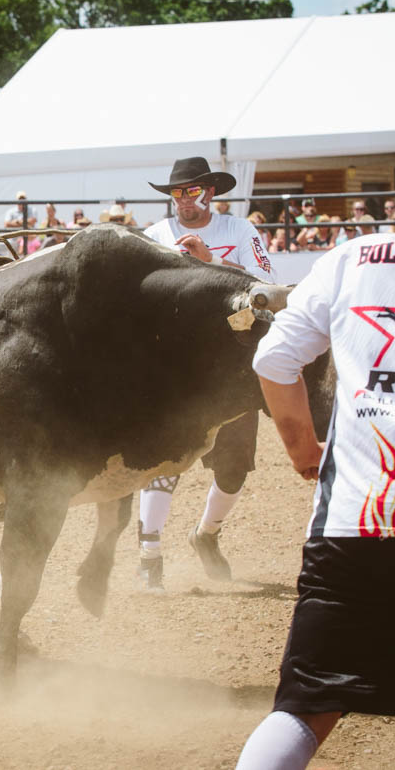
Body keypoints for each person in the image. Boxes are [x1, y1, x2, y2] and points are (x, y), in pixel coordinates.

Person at [235, 118, 395, 770]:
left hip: (360, 517)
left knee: (305, 707)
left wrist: (301, 451)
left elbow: (275, 360)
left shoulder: (356, 256)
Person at [137, 157, 276, 588]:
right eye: (178, 193)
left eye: (193, 191)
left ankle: (207, 534)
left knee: (233, 467)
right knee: (164, 459)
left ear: (210, 193)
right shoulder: (156, 238)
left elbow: (270, 287)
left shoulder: (239, 231)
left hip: (232, 365)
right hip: (175, 367)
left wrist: (213, 264)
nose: (184, 200)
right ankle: (149, 554)